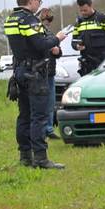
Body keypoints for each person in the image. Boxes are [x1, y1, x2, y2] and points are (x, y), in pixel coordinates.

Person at [4, 0, 68, 169]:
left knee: (24, 116)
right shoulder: (28, 20)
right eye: (39, 0)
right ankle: (41, 158)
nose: (39, 4)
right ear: (31, 0)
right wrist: (57, 38)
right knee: (39, 117)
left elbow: (26, 44)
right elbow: (39, 44)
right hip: (35, 74)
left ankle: (25, 157)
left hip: (20, 72)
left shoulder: (11, 19)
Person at [72, 0, 105, 75]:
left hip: (102, 63)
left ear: (91, 6)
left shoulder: (103, 19)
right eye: (81, 11)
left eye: (85, 10)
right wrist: (76, 46)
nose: (83, 13)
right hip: (86, 64)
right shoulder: (79, 22)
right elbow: (73, 41)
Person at [38, 7, 61, 139]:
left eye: (50, 19)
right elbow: (39, 48)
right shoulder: (37, 33)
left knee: (51, 103)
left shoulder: (51, 33)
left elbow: (59, 52)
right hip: (40, 73)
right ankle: (42, 130)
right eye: (46, 19)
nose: (48, 22)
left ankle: (49, 129)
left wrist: (57, 51)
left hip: (50, 73)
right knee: (42, 102)